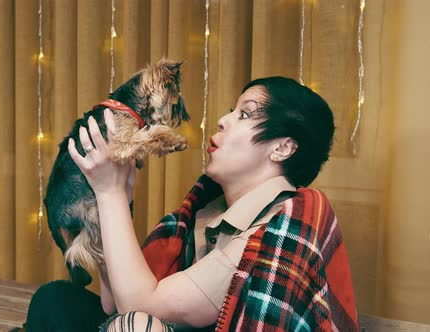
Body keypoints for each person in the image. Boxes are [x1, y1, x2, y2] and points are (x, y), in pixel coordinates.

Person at [23, 77, 359, 331]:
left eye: (244, 114)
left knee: (137, 327)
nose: (224, 120)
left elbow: (138, 307)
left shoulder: (275, 230)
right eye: (232, 110)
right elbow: (114, 304)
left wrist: (109, 194)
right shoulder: (205, 214)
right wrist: (116, 199)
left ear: (283, 148)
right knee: (57, 301)